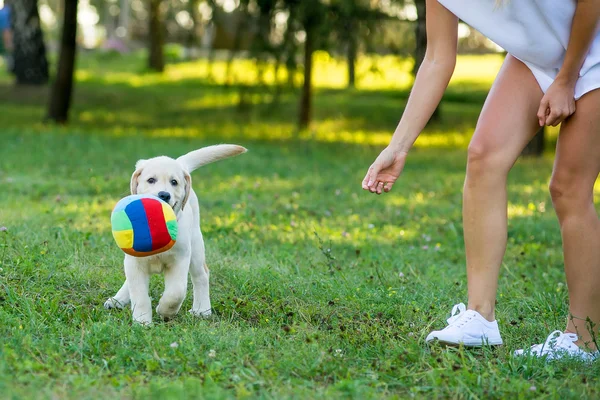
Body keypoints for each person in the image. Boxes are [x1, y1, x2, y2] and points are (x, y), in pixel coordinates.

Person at [362, 0, 600, 361]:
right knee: (483, 157)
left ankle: (583, 340)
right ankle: (480, 317)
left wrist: (567, 79)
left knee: (568, 188)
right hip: (538, 55)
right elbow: (438, 58)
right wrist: (398, 146)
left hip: (594, 46)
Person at [0, 1, 13, 73]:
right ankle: (10, 67)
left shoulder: (1, 11)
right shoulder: (7, 11)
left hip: (2, 31)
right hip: (5, 32)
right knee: (8, 49)